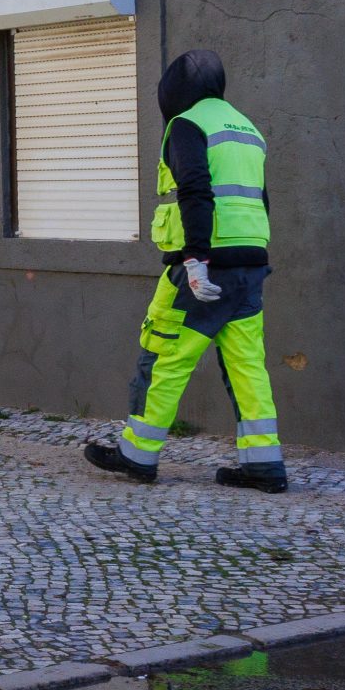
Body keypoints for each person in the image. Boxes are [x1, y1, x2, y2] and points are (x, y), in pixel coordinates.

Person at [85, 48, 286, 491]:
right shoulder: (246, 128)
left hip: (204, 264)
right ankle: (264, 464)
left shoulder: (188, 124)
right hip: (250, 262)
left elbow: (195, 189)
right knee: (248, 365)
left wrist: (196, 257)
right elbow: (261, 199)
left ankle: (137, 455)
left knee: (164, 356)